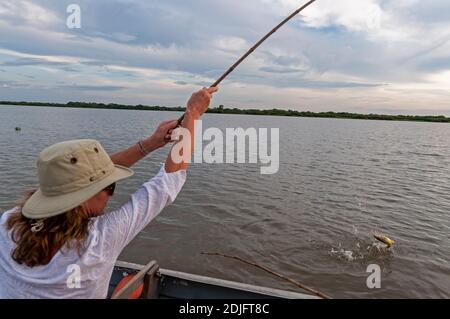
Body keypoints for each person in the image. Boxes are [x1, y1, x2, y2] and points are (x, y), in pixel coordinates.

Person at [0, 87, 218, 298]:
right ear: (86, 195)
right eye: (109, 186)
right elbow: (168, 181)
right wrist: (193, 114)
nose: (111, 194)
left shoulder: (8, 223)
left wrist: (151, 143)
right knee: (130, 286)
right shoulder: (98, 241)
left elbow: (69, 180)